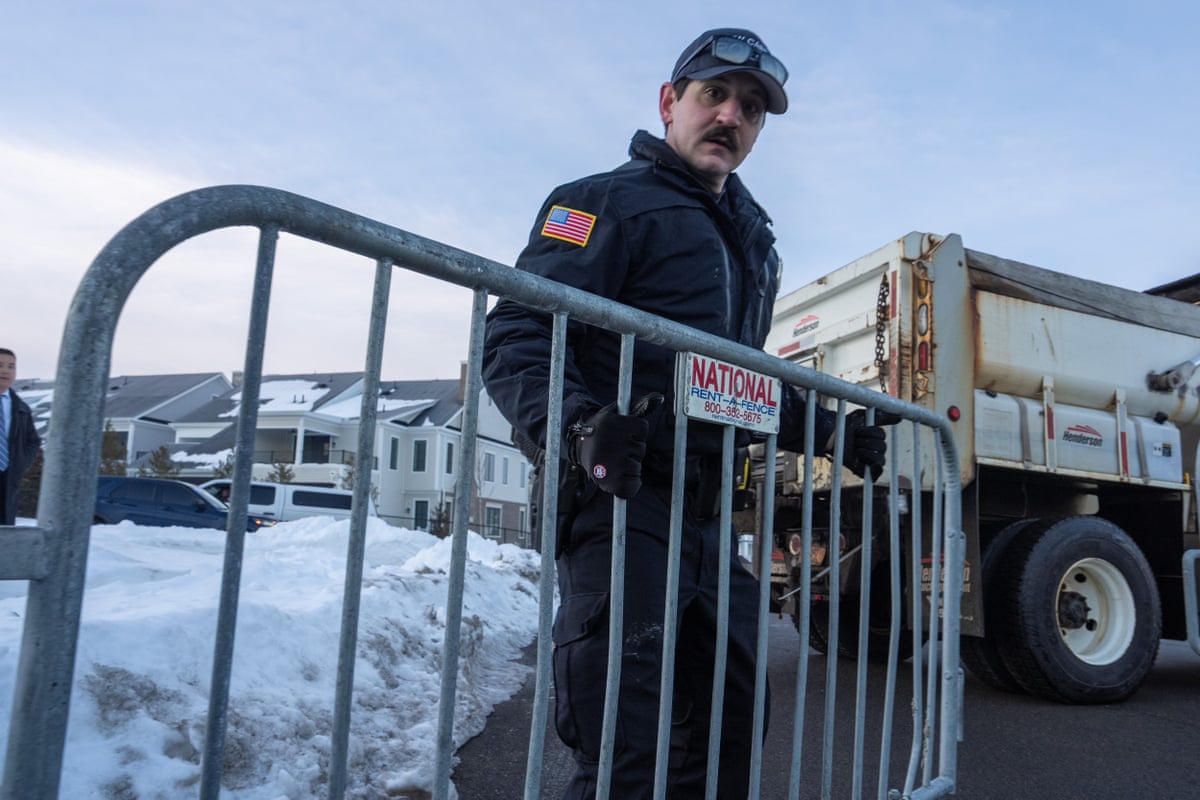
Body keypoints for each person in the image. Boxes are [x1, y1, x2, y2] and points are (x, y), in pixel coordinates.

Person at [482, 28, 890, 798]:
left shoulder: (751, 243)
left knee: (732, 732)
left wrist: (831, 429)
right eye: (714, 95)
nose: (731, 116)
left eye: (751, 109)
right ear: (671, 102)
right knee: (627, 753)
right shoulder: (600, 203)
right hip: (623, 509)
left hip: (708, 524)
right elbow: (519, 331)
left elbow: (735, 378)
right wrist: (574, 426)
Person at [0, 348, 43, 526]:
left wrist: (20, 463)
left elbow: (33, 441)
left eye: (11, 366)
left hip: (7, 478)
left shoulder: (21, 408)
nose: (5, 371)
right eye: (0, 365)